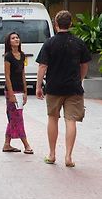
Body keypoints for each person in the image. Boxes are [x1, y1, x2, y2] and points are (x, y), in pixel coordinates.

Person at [36, 10, 91, 168]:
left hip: (53, 87)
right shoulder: (79, 43)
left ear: (56, 24)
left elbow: (42, 66)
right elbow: (85, 65)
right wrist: (79, 79)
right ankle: (68, 156)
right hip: (73, 88)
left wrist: (39, 86)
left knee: (53, 118)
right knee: (71, 121)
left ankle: (52, 154)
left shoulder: (49, 43)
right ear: (71, 24)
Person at [3, 32, 33, 154]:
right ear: (9, 42)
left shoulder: (22, 55)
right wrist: (11, 94)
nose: (16, 39)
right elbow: (7, 75)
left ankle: (6, 144)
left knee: (13, 117)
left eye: (17, 37)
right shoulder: (8, 56)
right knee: (18, 117)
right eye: (13, 38)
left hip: (20, 90)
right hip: (11, 91)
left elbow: (23, 74)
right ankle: (26, 145)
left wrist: (26, 91)